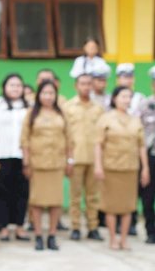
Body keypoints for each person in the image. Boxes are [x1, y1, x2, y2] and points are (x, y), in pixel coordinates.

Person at [94, 86, 149, 250]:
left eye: (128, 97)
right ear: (114, 98)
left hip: (130, 169)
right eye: (123, 96)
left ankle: (124, 239)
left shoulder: (135, 120)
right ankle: (112, 238)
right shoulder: (106, 118)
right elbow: (98, 144)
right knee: (111, 205)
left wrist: (145, 167)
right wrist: (98, 165)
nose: (126, 100)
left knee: (128, 205)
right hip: (111, 168)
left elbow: (141, 146)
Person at [21, 80, 73, 251]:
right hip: (37, 164)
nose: (48, 96)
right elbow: (25, 139)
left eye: (51, 93)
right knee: (36, 201)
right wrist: (26, 162)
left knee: (55, 201)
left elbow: (69, 139)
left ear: (56, 95)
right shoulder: (32, 114)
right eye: (45, 93)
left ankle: (51, 235)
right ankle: (38, 236)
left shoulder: (62, 114)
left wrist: (69, 160)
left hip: (57, 164)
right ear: (38, 95)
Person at [0, 74, 30, 242]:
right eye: (11, 85)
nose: (15, 88)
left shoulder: (28, 108)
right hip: (1, 155)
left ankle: (20, 227)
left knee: (22, 193)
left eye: (18, 85)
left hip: (21, 156)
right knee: (1, 193)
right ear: (4, 87)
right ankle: (3, 228)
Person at [64, 73, 105, 241]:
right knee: (75, 196)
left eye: (89, 84)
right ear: (76, 86)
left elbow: (102, 136)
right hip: (76, 157)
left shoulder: (98, 108)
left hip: (94, 159)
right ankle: (75, 227)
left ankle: (93, 227)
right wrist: (68, 159)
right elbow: (65, 135)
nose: (86, 87)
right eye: (82, 84)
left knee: (93, 196)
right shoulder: (68, 107)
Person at [138, 66, 155, 244]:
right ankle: (151, 231)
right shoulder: (145, 105)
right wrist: (143, 167)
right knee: (148, 197)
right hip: (150, 157)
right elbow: (139, 137)